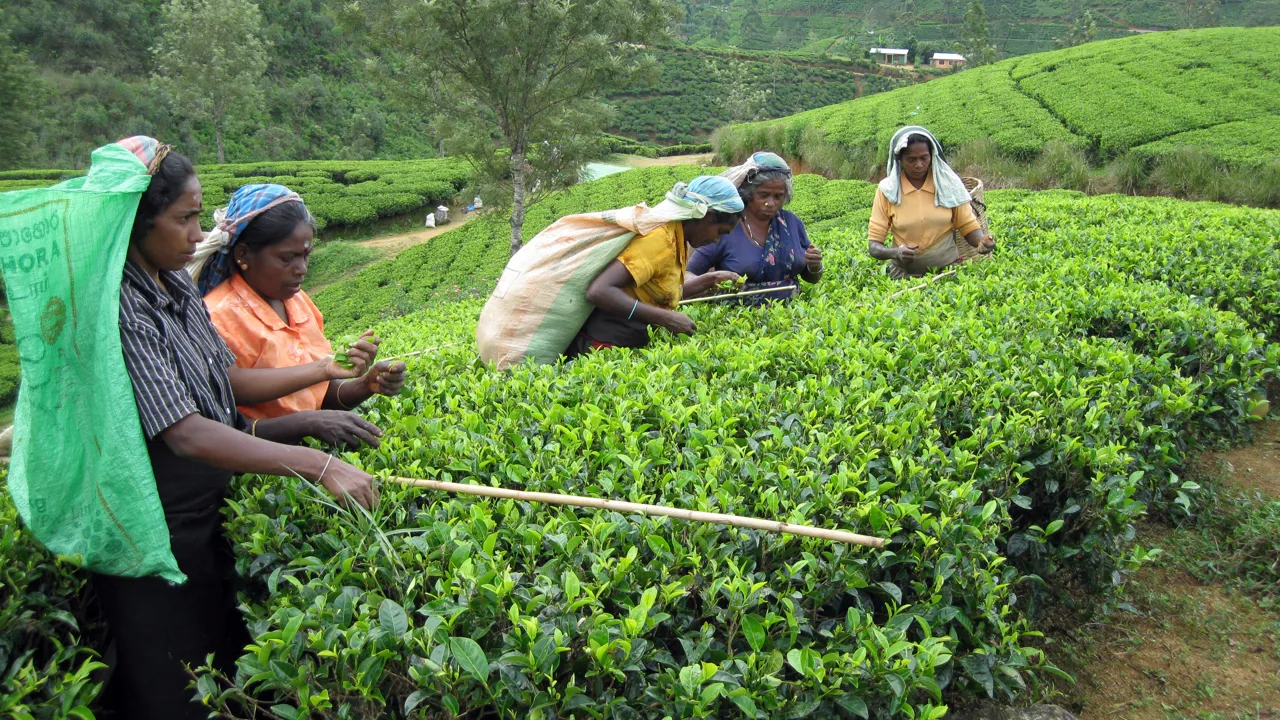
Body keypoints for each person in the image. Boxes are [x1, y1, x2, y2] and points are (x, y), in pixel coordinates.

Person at [98, 137, 383, 720]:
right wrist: (319, 464)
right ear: (136, 221)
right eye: (185, 219)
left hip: (207, 502)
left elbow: (224, 383)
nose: (201, 234)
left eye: (199, 217)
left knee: (222, 659)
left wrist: (324, 372)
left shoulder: (174, 281)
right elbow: (185, 433)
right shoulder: (121, 304)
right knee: (173, 681)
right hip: (153, 523)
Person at [194, 184, 407, 419]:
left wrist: (367, 384)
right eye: (288, 258)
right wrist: (323, 369)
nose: (302, 269)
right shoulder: (217, 315)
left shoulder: (297, 302)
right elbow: (231, 388)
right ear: (243, 255)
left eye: (306, 256)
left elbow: (318, 397)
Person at [564, 176, 744, 357]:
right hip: (600, 347)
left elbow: (661, 293)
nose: (717, 240)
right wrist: (665, 317)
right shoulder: (660, 240)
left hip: (624, 345)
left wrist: (711, 280)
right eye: (720, 231)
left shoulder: (677, 238)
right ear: (707, 216)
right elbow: (599, 291)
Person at [686, 151, 824, 304]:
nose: (770, 203)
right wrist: (711, 280)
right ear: (749, 193)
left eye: (778, 196)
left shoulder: (791, 223)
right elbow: (688, 274)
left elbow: (811, 277)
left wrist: (815, 266)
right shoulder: (727, 227)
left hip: (792, 312)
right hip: (739, 315)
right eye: (763, 195)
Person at [866, 126, 995, 278]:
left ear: (932, 156)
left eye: (924, 158)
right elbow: (874, 246)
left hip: (948, 271)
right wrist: (895, 252)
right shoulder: (888, 191)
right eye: (911, 159)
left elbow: (967, 225)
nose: (919, 164)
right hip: (903, 274)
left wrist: (981, 241)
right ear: (900, 159)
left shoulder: (947, 185)